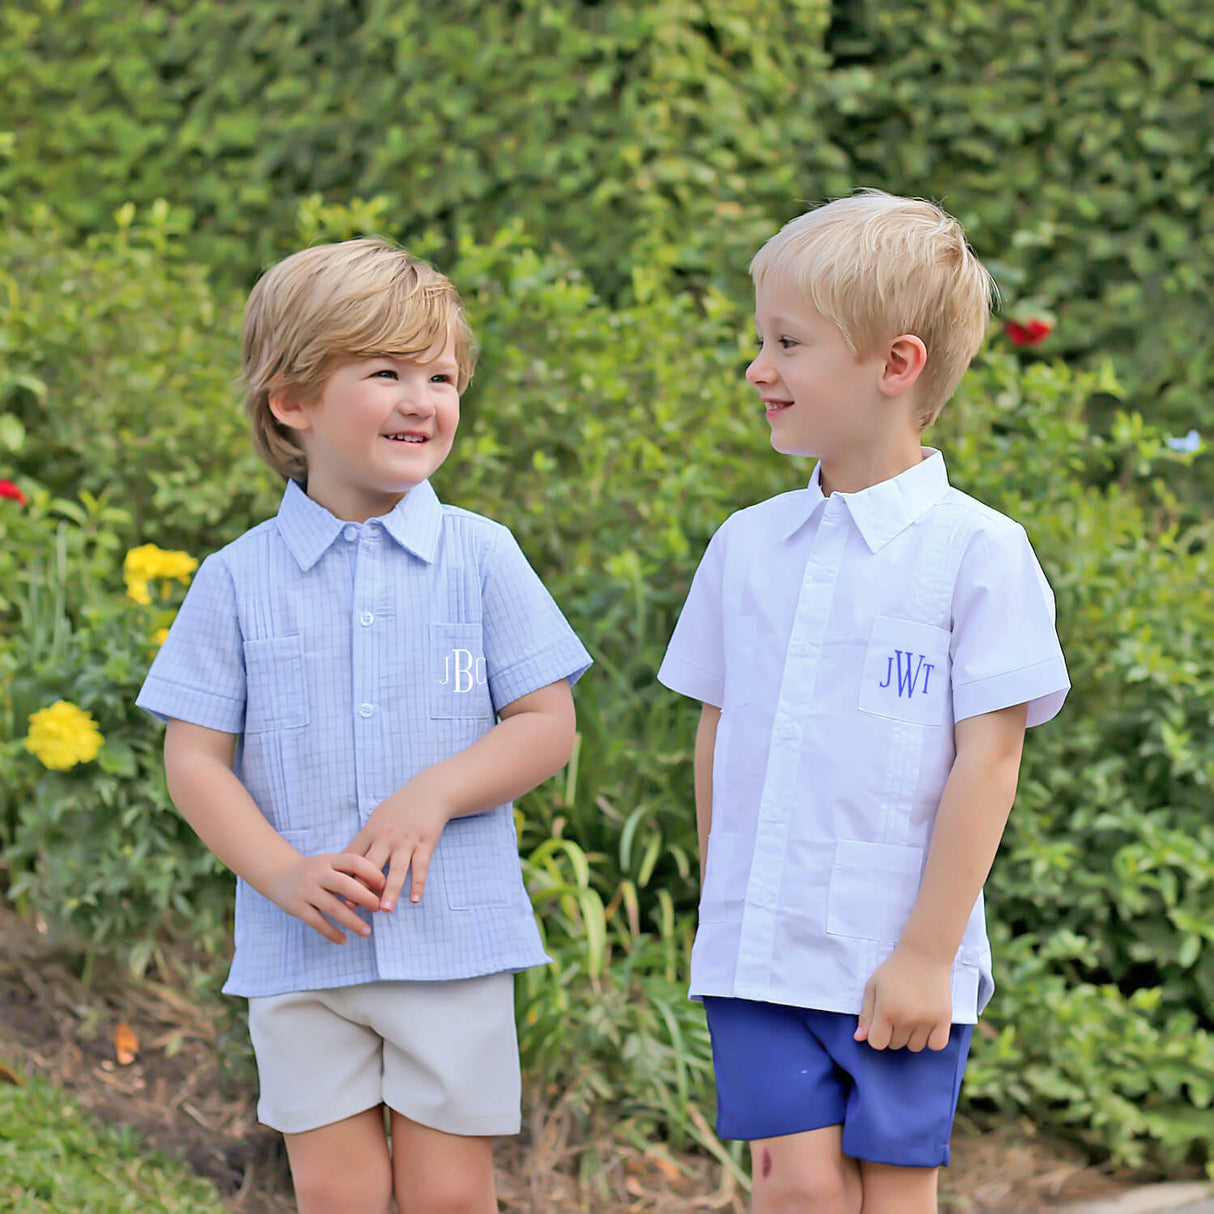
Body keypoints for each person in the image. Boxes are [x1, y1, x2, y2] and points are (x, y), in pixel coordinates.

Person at [137, 238, 591, 1214]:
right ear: (291, 400)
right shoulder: (235, 578)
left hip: (451, 939)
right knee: (334, 1194)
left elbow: (546, 723)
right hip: (301, 951)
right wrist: (282, 872)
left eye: (440, 374)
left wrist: (434, 792)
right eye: (385, 372)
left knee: (447, 1196)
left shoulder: (481, 556)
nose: (422, 397)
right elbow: (194, 759)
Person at [657, 190, 1069, 1214]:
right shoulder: (743, 547)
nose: (757, 368)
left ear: (894, 365)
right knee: (791, 1185)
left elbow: (990, 759)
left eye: (787, 342)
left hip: (897, 955)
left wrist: (927, 952)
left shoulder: (978, 554)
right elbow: (717, 727)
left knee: (891, 1189)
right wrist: (724, 902)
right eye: (761, 338)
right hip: (758, 952)